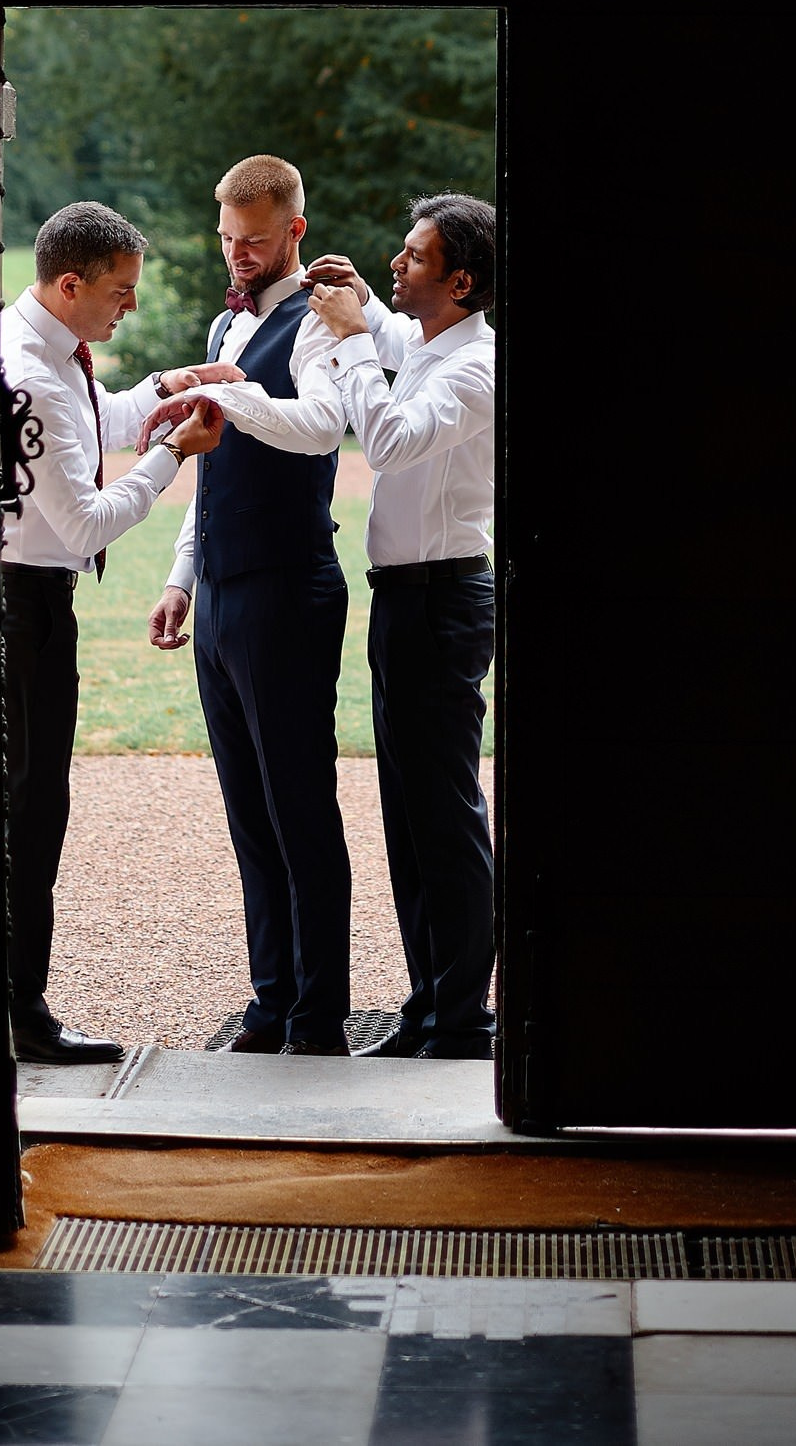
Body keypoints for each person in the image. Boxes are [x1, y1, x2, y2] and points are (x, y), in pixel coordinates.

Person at [213, 195, 499, 1061]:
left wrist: (347, 335)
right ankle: (428, 1011)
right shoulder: (428, 342)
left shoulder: (477, 366)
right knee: (408, 816)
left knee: (445, 817)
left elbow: (386, 438)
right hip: (404, 597)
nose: (393, 267)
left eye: (412, 259)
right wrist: (361, 310)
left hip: (445, 599)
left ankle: (464, 1022)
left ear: (461, 281)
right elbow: (389, 338)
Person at [0, 200, 232, 1065]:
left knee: (26, 805)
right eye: (120, 293)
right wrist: (175, 455)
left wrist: (168, 389)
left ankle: (6, 1000)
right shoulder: (31, 369)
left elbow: (84, 426)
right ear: (71, 284)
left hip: (20, 598)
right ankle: (19, 1012)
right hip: (22, 607)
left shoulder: (39, 349)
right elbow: (88, 519)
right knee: (30, 811)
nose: (127, 307)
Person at [149, 156, 353, 1055]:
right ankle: (269, 1000)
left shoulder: (321, 324)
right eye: (228, 239)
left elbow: (318, 428)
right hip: (223, 590)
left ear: (294, 232)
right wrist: (180, 578)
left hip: (290, 588)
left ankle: (318, 1017)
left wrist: (230, 390)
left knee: (300, 807)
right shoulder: (224, 328)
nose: (237, 255)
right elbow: (210, 469)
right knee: (247, 814)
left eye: (255, 241)